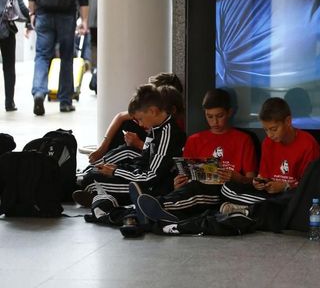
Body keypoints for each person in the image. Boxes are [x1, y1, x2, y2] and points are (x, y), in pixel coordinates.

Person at [132, 88, 258, 223]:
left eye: (219, 116)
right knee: (191, 189)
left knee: (196, 190)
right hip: (194, 191)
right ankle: (141, 211)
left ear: (229, 112)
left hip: (225, 192)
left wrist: (237, 178)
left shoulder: (244, 140)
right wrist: (178, 183)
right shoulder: (194, 140)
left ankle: (151, 208)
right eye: (209, 116)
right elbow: (184, 175)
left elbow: (251, 181)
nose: (215, 122)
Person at [72, 84, 186, 218]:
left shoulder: (168, 133)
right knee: (98, 172)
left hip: (152, 190)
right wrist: (119, 169)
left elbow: (151, 177)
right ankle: (102, 196)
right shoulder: (156, 128)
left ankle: (103, 198)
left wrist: (116, 171)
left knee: (90, 181)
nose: (141, 124)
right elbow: (143, 161)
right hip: (144, 179)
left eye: (140, 119)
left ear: (153, 111)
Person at [26, 0, 89, 115]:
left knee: (42, 55)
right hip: (66, 17)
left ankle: (39, 92)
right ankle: (65, 101)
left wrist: (32, 12)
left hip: (44, 15)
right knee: (67, 57)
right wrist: (84, 20)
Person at [87, 72, 184, 163]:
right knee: (127, 125)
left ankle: (102, 166)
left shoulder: (172, 128)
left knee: (126, 151)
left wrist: (139, 144)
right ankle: (103, 164)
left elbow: (161, 156)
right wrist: (102, 148)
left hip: (149, 160)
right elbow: (121, 116)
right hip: (145, 148)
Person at [0, 0, 31, 112]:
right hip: (6, 30)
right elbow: (21, 7)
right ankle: (9, 102)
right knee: (9, 67)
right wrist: (29, 20)